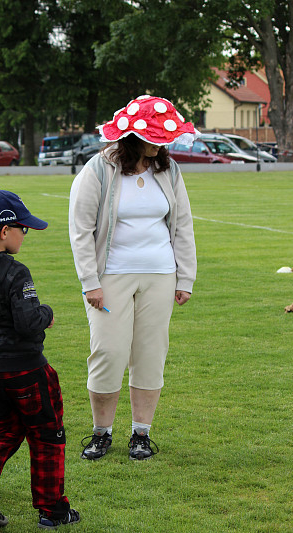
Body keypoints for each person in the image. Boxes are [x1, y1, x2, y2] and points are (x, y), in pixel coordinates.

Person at [69, 95, 199, 461]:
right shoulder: (98, 169)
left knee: (150, 353)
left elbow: (183, 225)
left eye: (162, 138)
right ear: (129, 136)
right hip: (109, 278)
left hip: (160, 275)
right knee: (108, 352)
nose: (159, 144)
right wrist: (89, 281)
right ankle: (101, 433)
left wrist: (184, 277)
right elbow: (80, 229)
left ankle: (141, 434)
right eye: (152, 137)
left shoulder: (168, 171)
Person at [0, 189, 80, 529]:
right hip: (25, 369)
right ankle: (53, 510)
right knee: (47, 434)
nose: (26, 234)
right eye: (22, 228)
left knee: (6, 432)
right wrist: (46, 313)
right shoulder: (15, 272)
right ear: (4, 231)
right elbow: (27, 323)